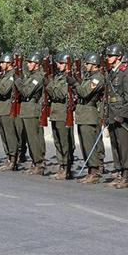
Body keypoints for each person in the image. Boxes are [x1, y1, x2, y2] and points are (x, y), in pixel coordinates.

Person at [104, 44, 128, 189]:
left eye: (110, 56)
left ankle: (127, 174)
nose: (108, 58)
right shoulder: (111, 73)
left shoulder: (125, 72)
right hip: (112, 114)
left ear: (118, 57)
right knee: (115, 144)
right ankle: (119, 170)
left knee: (124, 145)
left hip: (121, 115)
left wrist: (123, 115)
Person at [74, 52, 106, 183]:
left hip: (89, 113)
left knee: (89, 144)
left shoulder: (97, 78)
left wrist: (75, 84)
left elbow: (84, 92)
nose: (86, 65)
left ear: (94, 65)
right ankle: (90, 170)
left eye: (88, 63)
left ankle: (94, 172)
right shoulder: (90, 77)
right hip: (83, 113)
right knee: (84, 145)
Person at [17, 52, 47, 176]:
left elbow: (26, 92)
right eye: (28, 62)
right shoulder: (31, 76)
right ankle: (35, 162)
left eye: (31, 62)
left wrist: (18, 81)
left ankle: (39, 163)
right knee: (30, 139)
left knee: (34, 138)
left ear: (37, 64)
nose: (28, 64)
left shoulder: (38, 77)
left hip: (32, 110)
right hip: (26, 109)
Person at [49, 52, 76, 180]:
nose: (58, 65)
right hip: (55, 113)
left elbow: (59, 94)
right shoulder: (58, 77)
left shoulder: (68, 78)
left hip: (63, 114)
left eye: (61, 63)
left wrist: (49, 86)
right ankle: (61, 165)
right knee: (57, 142)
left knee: (65, 143)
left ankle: (66, 167)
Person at [0, 53, 20, 171]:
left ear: (9, 64)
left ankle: (13, 159)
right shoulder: (2, 75)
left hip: (7, 109)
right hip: (0, 109)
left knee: (9, 135)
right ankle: (9, 157)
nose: (1, 64)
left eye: (3, 62)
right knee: (4, 136)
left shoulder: (12, 75)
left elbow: (3, 90)